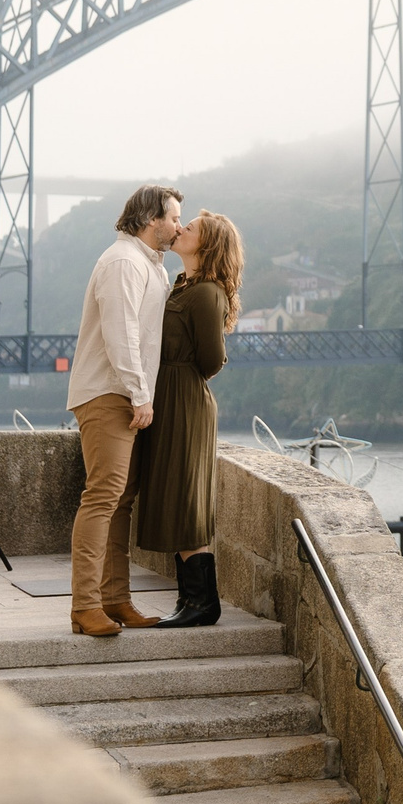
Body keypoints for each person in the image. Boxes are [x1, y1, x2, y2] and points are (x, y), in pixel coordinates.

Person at [65, 184, 180, 637]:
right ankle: (84, 606)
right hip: (110, 393)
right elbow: (121, 332)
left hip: (123, 393)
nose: (177, 225)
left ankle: (115, 599)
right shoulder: (122, 262)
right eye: (173, 218)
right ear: (152, 219)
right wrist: (139, 394)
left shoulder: (148, 265)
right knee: (102, 497)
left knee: (120, 502)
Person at [137, 209, 240, 629]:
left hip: (186, 401)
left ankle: (202, 603)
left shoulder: (206, 293)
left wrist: (178, 374)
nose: (180, 229)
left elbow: (213, 360)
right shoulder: (182, 284)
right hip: (170, 395)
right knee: (174, 495)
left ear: (207, 244)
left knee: (184, 496)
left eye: (190, 228)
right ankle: (190, 600)